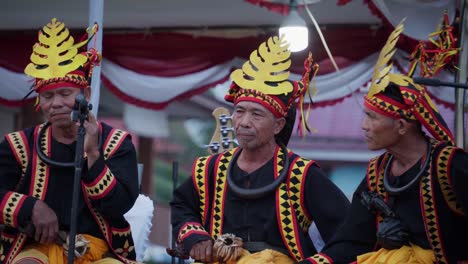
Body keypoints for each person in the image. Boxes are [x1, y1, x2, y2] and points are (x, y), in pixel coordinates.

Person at [170, 36, 350, 263]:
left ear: (278, 125)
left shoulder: (302, 174)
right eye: (239, 111)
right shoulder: (209, 169)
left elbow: (347, 235)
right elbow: (181, 205)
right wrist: (195, 237)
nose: (244, 122)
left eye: (256, 114)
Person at [306, 22, 468, 264]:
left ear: (402, 126)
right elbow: (353, 239)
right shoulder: (377, 172)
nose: (364, 126)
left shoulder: (450, 165)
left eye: (372, 117)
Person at [0, 18, 139, 263]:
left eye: (65, 94)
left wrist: (94, 155)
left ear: (85, 94)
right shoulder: (19, 145)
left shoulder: (117, 143)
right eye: (48, 96)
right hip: (37, 249)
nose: (56, 104)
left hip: (100, 252)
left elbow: (119, 206)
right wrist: (30, 207)